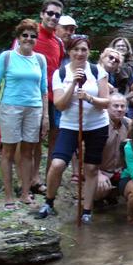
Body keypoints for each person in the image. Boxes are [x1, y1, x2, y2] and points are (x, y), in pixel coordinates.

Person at [37, 36, 110, 223]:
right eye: (76, 49)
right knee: (58, 164)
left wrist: (88, 98)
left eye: (84, 49)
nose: (80, 53)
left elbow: (106, 101)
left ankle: (86, 210)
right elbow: (60, 105)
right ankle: (49, 202)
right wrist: (72, 85)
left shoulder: (98, 71)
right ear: (69, 51)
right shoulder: (60, 74)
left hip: (96, 125)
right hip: (70, 125)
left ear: (89, 52)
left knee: (92, 168)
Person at [0, 19, 47, 209]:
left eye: (33, 36)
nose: (29, 39)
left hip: (34, 108)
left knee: (28, 152)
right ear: (18, 37)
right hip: (11, 107)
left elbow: (44, 90)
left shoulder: (40, 59)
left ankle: (25, 193)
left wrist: (46, 116)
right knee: (7, 152)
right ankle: (8, 196)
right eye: (25, 35)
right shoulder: (7, 57)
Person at [34, 0, 65, 179]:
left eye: (57, 15)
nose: (53, 17)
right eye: (50, 13)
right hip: (33, 95)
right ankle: (33, 179)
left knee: (54, 137)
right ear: (42, 14)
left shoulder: (58, 42)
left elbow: (57, 68)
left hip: (53, 97)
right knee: (34, 140)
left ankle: (48, 178)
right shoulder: (30, 35)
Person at [95, 93, 131, 203]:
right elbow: (83, 153)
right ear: (107, 107)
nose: (119, 109)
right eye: (115, 106)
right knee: (100, 191)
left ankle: (114, 194)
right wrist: (98, 174)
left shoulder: (129, 124)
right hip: (100, 171)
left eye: (122, 106)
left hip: (121, 172)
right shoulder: (98, 124)